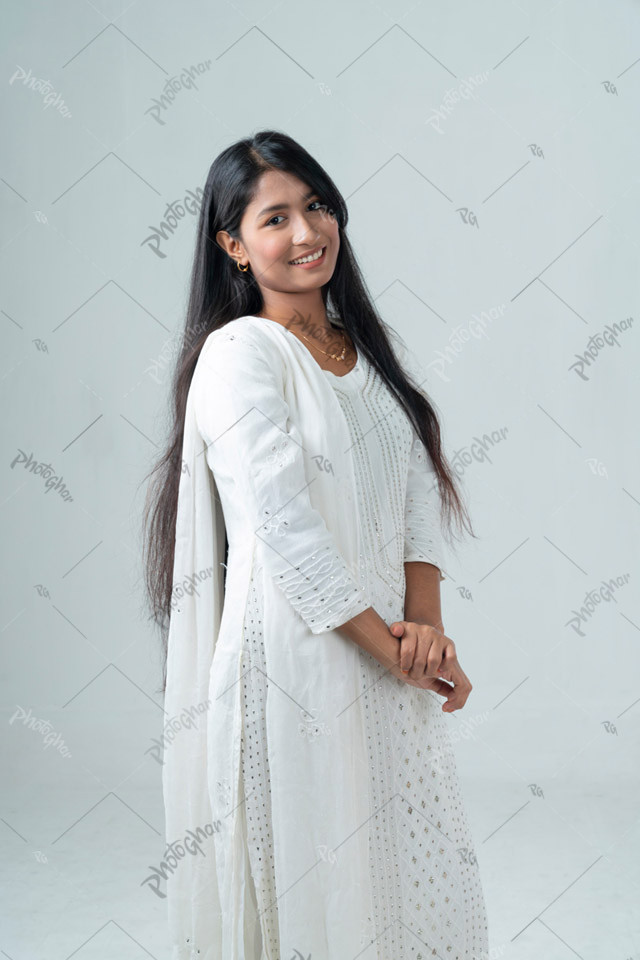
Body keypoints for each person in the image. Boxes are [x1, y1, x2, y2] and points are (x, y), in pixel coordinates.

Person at [142, 130, 489, 960]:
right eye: (276, 218)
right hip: (294, 662)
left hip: (384, 651)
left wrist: (426, 629)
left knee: (400, 878)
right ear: (232, 245)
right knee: (317, 881)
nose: (306, 233)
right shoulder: (239, 356)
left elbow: (411, 509)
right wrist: (399, 648)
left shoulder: (362, 356)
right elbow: (283, 532)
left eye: (318, 206)